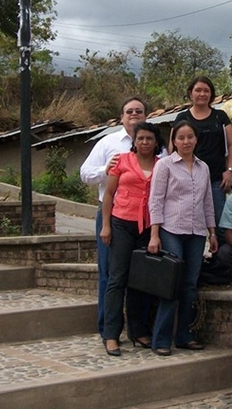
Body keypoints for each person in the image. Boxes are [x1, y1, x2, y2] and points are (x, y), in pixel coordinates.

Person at [79, 96, 151, 338]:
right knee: (110, 274)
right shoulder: (108, 143)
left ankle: (137, 329)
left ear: (145, 116)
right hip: (111, 216)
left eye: (139, 111)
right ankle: (107, 329)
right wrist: (105, 169)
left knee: (138, 275)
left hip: (143, 221)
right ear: (121, 117)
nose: (134, 115)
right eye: (129, 111)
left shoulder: (153, 144)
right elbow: (85, 174)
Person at [148, 120, 218, 356]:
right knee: (172, 283)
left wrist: (212, 232)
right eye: (181, 138)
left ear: (196, 139)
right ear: (174, 141)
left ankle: (185, 336)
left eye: (190, 137)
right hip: (171, 230)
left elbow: (208, 201)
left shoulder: (203, 168)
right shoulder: (165, 165)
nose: (186, 142)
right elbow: (156, 200)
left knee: (190, 286)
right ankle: (161, 339)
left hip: (197, 232)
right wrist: (155, 234)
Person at [100, 122, 165, 356]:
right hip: (121, 223)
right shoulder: (122, 161)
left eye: (149, 138)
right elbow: (109, 194)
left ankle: (138, 331)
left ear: (156, 142)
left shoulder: (162, 165)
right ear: (134, 141)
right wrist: (106, 226)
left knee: (141, 281)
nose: (145, 142)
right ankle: (110, 335)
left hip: (149, 226)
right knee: (117, 278)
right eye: (141, 138)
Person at [172, 76, 232, 225]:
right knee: (191, 220)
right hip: (189, 179)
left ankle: (220, 247)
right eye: (198, 90)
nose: (202, 94)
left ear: (211, 94)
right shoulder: (182, 117)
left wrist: (230, 171)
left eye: (206, 91)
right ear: (190, 93)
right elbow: (173, 147)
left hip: (216, 179)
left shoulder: (220, 116)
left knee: (220, 220)